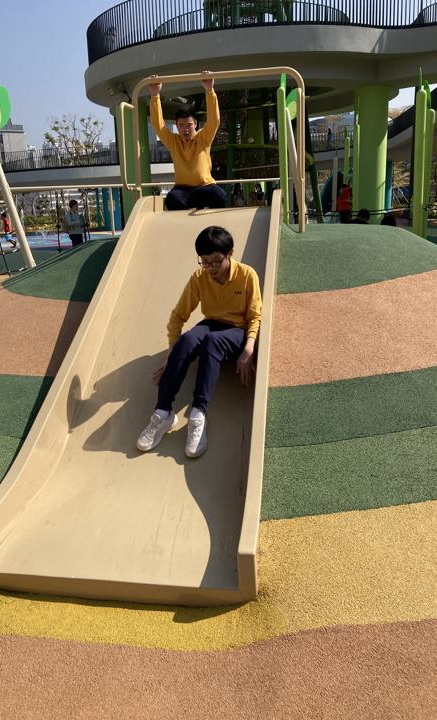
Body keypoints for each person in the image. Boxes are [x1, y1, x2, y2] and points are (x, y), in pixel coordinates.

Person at [137, 225, 261, 458]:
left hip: (237, 330)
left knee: (213, 341)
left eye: (216, 262)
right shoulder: (199, 277)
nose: (210, 268)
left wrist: (249, 348)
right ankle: (163, 413)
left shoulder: (247, 275)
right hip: (211, 323)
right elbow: (178, 316)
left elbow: (255, 316)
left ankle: (197, 415)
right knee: (186, 340)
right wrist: (172, 353)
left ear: (230, 254)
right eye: (205, 262)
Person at [149, 75, 226, 211]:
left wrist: (209, 90)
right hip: (183, 190)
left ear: (195, 124)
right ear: (177, 126)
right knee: (172, 198)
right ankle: (184, 221)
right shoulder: (173, 141)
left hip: (204, 187)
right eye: (181, 125)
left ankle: (214, 221)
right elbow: (158, 125)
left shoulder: (203, 137)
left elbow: (214, 121)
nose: (185, 129)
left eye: (189, 125)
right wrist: (155, 95)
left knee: (219, 195)